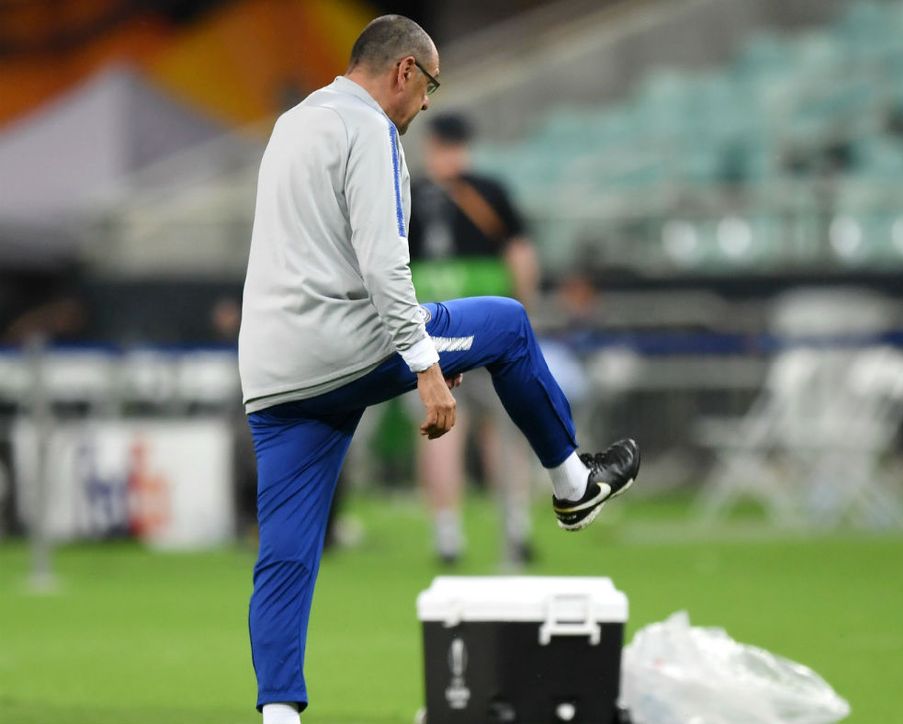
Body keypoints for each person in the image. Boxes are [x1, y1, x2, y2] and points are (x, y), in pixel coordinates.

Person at [237, 16, 640, 724]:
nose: (426, 105)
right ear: (403, 72)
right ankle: (574, 485)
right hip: (349, 345)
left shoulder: (294, 124)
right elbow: (383, 258)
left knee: (286, 556)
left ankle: (278, 714)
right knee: (510, 324)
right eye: (429, 85)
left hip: (274, 370)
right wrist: (422, 362)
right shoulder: (369, 130)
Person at [406, 112, 540, 567]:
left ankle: (447, 536)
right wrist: (525, 315)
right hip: (487, 327)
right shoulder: (489, 191)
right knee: (500, 430)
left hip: (429, 330)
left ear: (432, 144)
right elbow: (520, 255)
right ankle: (516, 527)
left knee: (439, 432)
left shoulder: (409, 193)